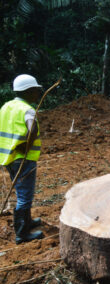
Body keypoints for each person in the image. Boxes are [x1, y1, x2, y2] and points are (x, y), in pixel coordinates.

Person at [0, 74, 44, 244]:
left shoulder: (6, 107)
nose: (38, 94)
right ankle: (22, 233)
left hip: (8, 158)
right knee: (25, 196)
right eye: (35, 90)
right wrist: (26, 146)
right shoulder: (27, 109)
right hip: (23, 159)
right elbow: (32, 130)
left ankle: (28, 221)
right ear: (28, 91)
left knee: (21, 192)